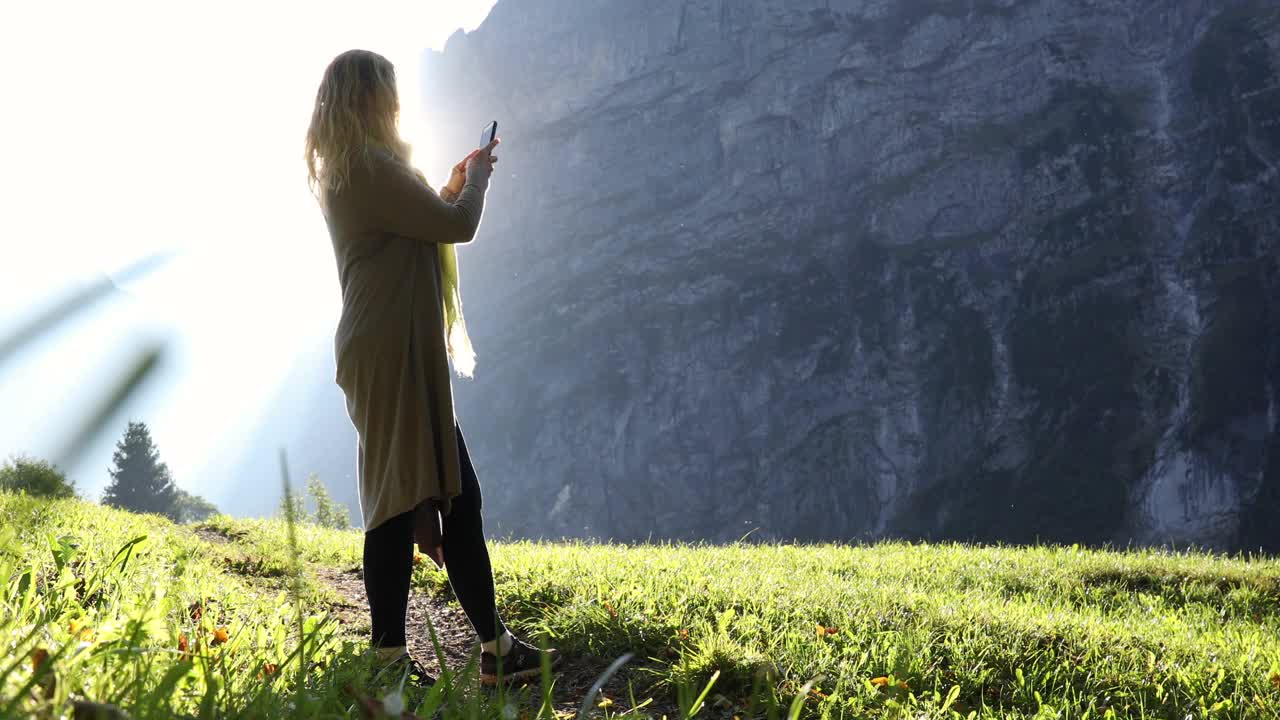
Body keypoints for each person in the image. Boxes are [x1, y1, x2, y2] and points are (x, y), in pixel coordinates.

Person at [304, 48, 556, 685]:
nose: (396, 103)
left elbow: (417, 225)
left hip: (386, 347)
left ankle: (461, 651)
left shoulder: (355, 169)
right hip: (393, 350)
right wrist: (476, 181)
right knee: (426, 500)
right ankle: (439, 655)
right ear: (371, 98)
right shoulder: (370, 166)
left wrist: (446, 185)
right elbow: (456, 226)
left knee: (421, 496)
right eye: (389, 91)